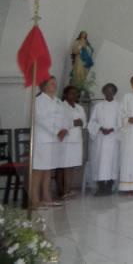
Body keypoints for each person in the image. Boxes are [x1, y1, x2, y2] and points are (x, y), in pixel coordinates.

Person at [32, 76, 68, 208]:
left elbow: (65, 117)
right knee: (38, 170)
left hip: (55, 140)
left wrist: (64, 129)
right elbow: (40, 119)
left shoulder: (57, 101)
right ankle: (35, 200)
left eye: (55, 83)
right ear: (44, 86)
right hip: (43, 139)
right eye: (52, 83)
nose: (54, 86)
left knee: (47, 170)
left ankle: (46, 197)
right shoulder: (39, 100)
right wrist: (56, 131)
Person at [88, 83, 120, 196]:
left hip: (112, 139)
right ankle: (100, 187)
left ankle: (109, 186)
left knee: (112, 163)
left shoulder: (119, 106)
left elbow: (122, 123)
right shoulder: (98, 106)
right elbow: (92, 122)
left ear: (115, 92)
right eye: (107, 90)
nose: (109, 92)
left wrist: (113, 129)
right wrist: (100, 128)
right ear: (103, 92)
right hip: (100, 139)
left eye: (111, 90)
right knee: (99, 162)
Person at [58, 85, 87, 199]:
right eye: (71, 93)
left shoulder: (79, 108)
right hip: (65, 140)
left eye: (75, 93)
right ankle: (63, 191)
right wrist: (73, 123)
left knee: (71, 165)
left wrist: (79, 123)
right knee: (62, 166)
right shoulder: (61, 106)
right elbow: (60, 122)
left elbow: (84, 122)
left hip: (76, 140)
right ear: (65, 94)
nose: (74, 95)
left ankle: (68, 189)